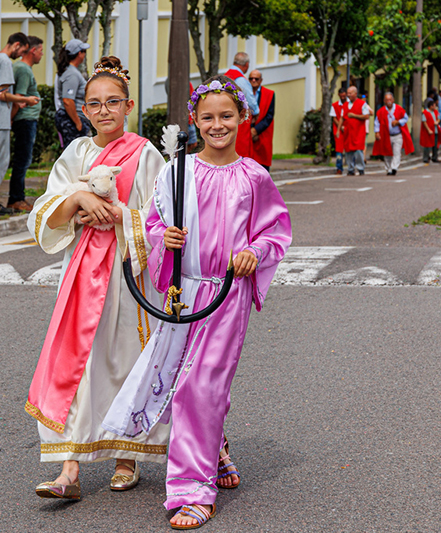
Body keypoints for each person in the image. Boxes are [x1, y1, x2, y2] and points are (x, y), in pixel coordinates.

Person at [102, 75, 292, 529]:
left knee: (199, 384)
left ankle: (193, 490)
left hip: (227, 293)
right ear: (195, 121)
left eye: (227, 115)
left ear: (242, 117)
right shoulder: (176, 172)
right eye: (208, 117)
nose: (217, 124)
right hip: (182, 291)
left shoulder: (254, 177)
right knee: (182, 377)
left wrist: (254, 252)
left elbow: (275, 230)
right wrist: (161, 238)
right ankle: (216, 445)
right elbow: (153, 222)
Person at [26, 56, 170, 501]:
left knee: (125, 360)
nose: (104, 110)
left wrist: (120, 216)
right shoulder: (76, 152)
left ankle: (127, 454)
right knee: (81, 364)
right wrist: (80, 197)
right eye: (94, 104)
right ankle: (69, 469)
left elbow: (160, 217)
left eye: (112, 102)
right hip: (82, 273)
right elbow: (46, 206)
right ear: (84, 111)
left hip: (129, 275)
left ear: (128, 107)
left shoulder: (145, 153)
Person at [0, 32, 39, 216]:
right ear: (16, 45)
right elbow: (3, 94)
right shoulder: (5, 62)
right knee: (0, 160)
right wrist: (27, 100)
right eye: (22, 49)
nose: (21, 54)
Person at [8, 35, 44, 213]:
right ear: (33, 50)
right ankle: (16, 198)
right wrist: (11, 119)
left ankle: (17, 197)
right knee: (22, 160)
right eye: (41, 50)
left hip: (26, 120)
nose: (42, 55)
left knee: (23, 159)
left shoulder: (23, 68)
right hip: (25, 120)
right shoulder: (22, 69)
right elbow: (20, 99)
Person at [55, 39, 91, 149]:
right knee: (75, 154)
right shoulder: (72, 74)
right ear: (79, 53)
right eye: (84, 51)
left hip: (73, 119)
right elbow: (67, 100)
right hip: (71, 120)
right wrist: (78, 123)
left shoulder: (71, 71)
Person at [224, 52, 260, 159]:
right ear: (247, 65)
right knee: (241, 154)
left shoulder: (225, 76)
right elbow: (251, 103)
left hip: (226, 118)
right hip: (240, 122)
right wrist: (256, 112)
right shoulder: (241, 80)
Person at [372, 92, 413, 175]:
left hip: (397, 135)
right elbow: (377, 122)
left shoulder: (399, 109)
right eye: (387, 100)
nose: (389, 101)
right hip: (386, 135)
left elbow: (405, 118)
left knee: (396, 152)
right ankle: (388, 169)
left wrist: (398, 122)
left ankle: (394, 167)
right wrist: (377, 132)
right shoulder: (381, 111)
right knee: (386, 153)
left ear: (393, 100)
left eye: (390, 99)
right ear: (384, 101)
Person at [248, 69, 275, 171]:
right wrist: (249, 129)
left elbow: (269, 116)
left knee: (262, 169)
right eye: (251, 78)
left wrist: (255, 130)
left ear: (261, 80)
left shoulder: (269, 94)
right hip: (247, 135)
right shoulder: (245, 93)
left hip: (262, 135)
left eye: (256, 78)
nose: (253, 80)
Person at [342, 86, 370, 175]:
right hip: (348, 131)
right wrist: (340, 128)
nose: (348, 95)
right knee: (348, 151)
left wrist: (354, 115)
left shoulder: (362, 104)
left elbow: (366, 116)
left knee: (358, 150)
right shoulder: (345, 105)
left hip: (358, 131)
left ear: (355, 94)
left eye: (350, 93)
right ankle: (350, 169)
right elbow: (342, 118)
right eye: (348, 93)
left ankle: (360, 168)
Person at [329, 88, 347, 174]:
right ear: (339, 95)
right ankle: (339, 167)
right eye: (341, 95)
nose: (343, 97)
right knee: (339, 150)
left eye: (344, 95)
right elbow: (334, 118)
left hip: (348, 129)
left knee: (350, 149)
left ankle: (351, 166)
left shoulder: (349, 104)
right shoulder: (335, 105)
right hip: (338, 130)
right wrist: (340, 127)